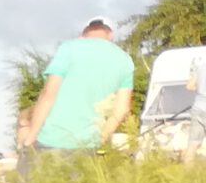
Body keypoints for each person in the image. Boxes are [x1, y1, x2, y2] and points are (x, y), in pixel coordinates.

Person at [17, 19, 135, 157]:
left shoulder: (69, 48)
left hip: (50, 141)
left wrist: (30, 137)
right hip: (88, 148)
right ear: (110, 35)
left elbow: (48, 94)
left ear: (83, 34)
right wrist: (101, 139)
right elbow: (121, 109)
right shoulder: (125, 60)